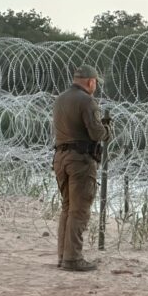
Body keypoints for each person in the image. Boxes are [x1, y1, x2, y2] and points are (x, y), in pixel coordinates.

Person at [53, 65, 110, 272]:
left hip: (60, 157)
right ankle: (73, 258)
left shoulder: (60, 99)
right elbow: (96, 133)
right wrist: (107, 129)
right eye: (95, 83)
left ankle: (63, 256)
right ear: (90, 82)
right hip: (80, 161)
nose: (95, 86)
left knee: (67, 209)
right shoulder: (87, 101)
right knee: (79, 211)